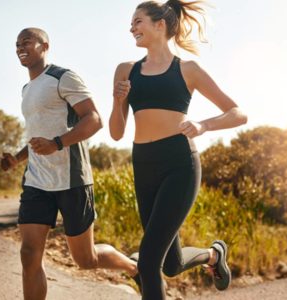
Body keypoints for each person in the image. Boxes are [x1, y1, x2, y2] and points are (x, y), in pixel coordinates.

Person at [109, 1, 248, 299]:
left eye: (137, 22)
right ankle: (214, 255)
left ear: (159, 25)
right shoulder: (125, 70)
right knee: (170, 264)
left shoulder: (188, 69)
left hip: (179, 164)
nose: (131, 28)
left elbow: (238, 113)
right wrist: (118, 100)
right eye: (131, 23)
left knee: (147, 261)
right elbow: (116, 132)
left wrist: (203, 126)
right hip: (143, 164)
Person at [1, 27, 138, 300]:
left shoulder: (63, 77)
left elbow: (94, 119)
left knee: (85, 260)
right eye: (17, 44)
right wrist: (17, 158)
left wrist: (57, 143)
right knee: (29, 255)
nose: (20, 46)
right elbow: (36, 135)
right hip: (37, 181)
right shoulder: (27, 89)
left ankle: (135, 268)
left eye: (26, 41)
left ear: (45, 45)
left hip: (72, 180)